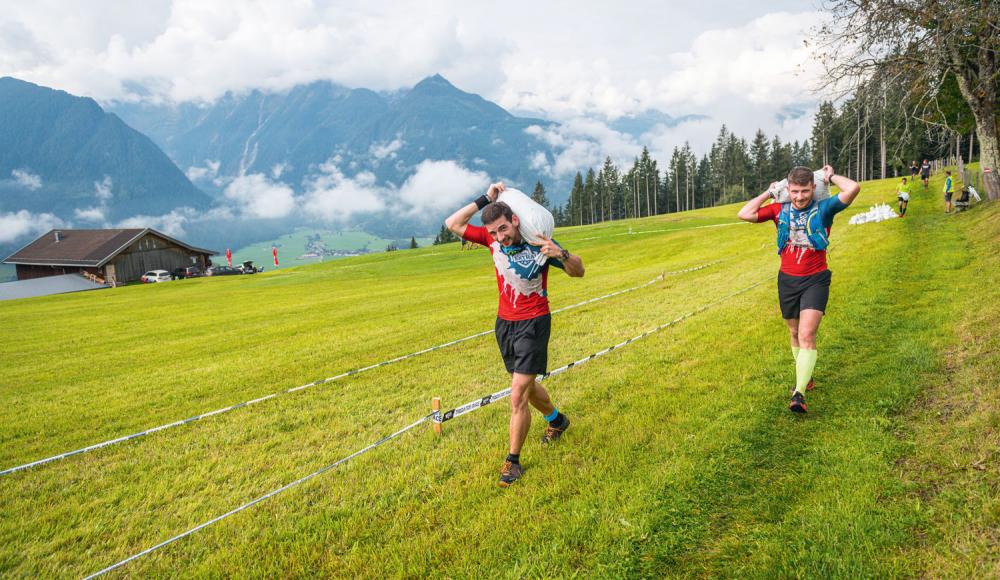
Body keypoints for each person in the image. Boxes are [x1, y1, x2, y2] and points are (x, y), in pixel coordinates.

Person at [445, 182, 585, 486]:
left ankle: (512, 462)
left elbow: (579, 271)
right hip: (504, 324)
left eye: (503, 229)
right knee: (527, 386)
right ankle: (557, 420)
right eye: (494, 232)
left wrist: (561, 253)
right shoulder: (490, 240)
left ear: (516, 221)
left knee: (518, 393)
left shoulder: (539, 242)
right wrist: (485, 199)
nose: (499, 237)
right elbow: (452, 224)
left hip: (534, 322)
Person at [737, 166, 861, 414]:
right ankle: (806, 375)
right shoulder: (779, 210)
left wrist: (830, 177)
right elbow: (744, 213)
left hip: (816, 279)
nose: (800, 196)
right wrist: (770, 193)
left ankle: (799, 393)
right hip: (787, 281)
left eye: (805, 191)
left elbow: (853, 188)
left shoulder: (824, 209)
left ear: (813, 188)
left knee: (806, 334)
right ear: (788, 190)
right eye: (794, 191)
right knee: (794, 333)